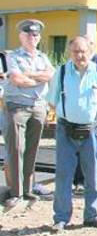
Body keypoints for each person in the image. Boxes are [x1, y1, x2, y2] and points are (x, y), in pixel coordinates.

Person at [46, 36, 97, 232]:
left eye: (83, 51)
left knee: (93, 174)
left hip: (93, 131)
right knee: (63, 175)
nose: (79, 55)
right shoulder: (60, 73)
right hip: (65, 130)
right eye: (75, 51)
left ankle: (92, 215)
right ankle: (61, 218)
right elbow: (52, 101)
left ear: (90, 51)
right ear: (70, 53)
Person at [3, 19, 54, 209]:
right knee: (16, 149)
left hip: (38, 106)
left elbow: (50, 75)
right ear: (21, 36)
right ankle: (15, 192)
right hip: (17, 106)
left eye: (35, 35)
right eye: (28, 34)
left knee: (32, 149)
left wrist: (29, 75)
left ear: (39, 37)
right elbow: (16, 79)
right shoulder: (12, 56)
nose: (32, 37)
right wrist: (37, 78)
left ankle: (28, 188)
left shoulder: (43, 57)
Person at [73, 33, 97, 193]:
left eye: (89, 44)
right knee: (78, 151)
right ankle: (79, 181)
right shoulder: (72, 64)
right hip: (79, 114)